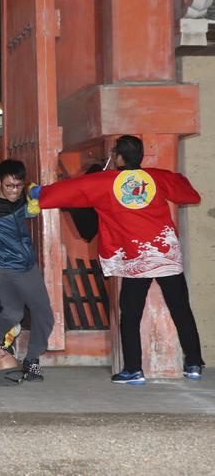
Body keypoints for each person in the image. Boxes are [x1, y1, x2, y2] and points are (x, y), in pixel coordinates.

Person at [35, 135, 205, 383]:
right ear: (140, 156)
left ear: (119, 157)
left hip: (137, 259)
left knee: (131, 314)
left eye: (114, 153)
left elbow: (73, 190)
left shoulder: (105, 181)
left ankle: (134, 370)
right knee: (181, 310)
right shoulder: (157, 177)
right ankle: (193, 364)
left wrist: (41, 193)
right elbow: (189, 194)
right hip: (166, 254)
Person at [0, 159, 53, 384]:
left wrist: (30, 207)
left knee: (44, 315)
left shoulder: (18, 200)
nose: (15, 191)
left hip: (26, 266)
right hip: (1, 268)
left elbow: (19, 217)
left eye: (19, 186)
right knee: (13, 313)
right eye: (10, 186)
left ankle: (32, 360)